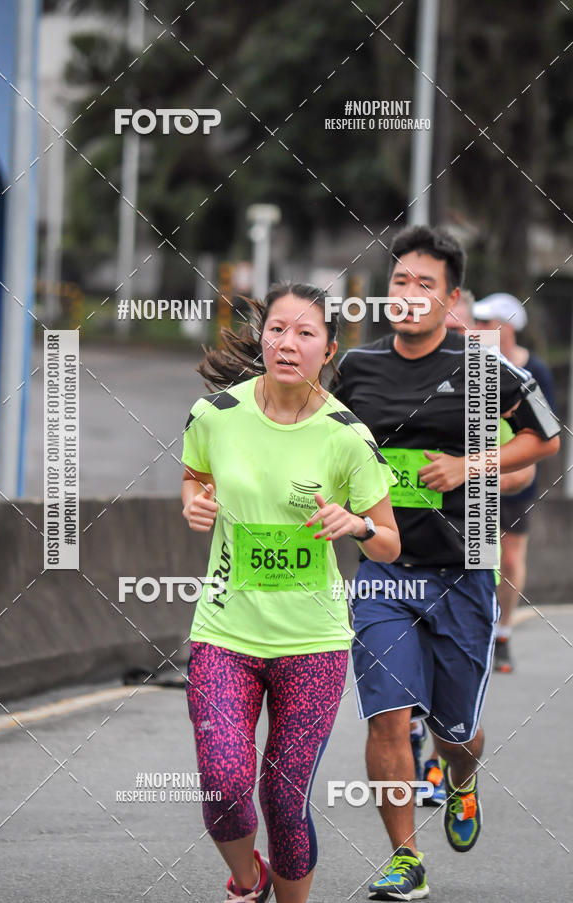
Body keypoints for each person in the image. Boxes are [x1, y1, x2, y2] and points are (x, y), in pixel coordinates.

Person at [331, 226, 560, 901]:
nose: (409, 294)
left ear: (450, 298)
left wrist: (469, 465)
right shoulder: (356, 368)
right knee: (388, 714)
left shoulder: (484, 367)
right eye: (399, 281)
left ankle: (460, 776)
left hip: (464, 570)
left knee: (454, 730)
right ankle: (405, 858)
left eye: (424, 284)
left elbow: (544, 436)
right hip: (383, 568)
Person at [181, 282, 400, 903]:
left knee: (283, 796)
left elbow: (388, 543)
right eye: (277, 329)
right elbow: (195, 477)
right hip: (225, 632)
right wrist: (194, 504)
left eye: (306, 333)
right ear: (263, 339)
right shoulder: (215, 415)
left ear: (328, 351)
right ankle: (247, 882)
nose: (288, 343)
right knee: (224, 782)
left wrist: (356, 525)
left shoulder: (347, 435)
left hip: (313, 642)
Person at [473, 292, 557, 672]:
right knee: (477, 557)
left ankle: (503, 634)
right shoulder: (473, 362)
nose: (478, 328)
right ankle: (475, 633)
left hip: (516, 477)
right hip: (474, 476)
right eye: (476, 321)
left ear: (506, 328)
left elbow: (547, 431)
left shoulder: (533, 370)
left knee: (509, 558)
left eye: (486, 322)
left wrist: (518, 466)